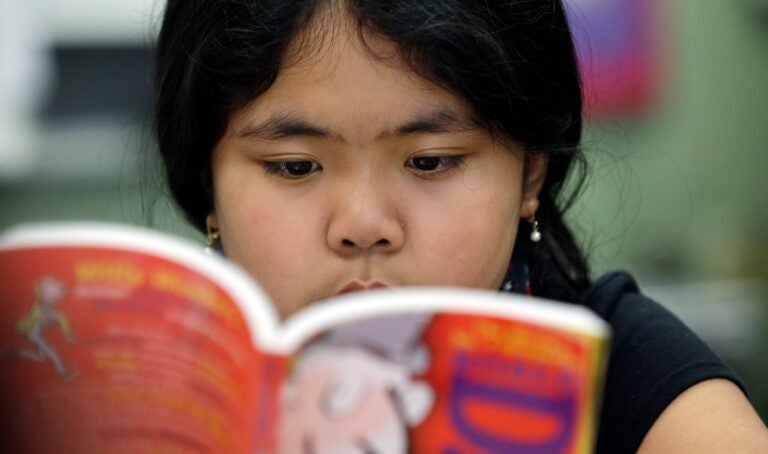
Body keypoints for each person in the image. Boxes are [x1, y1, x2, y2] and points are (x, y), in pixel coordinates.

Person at [152, 0, 768, 452]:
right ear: (207, 181)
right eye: (294, 166)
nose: (364, 226)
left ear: (529, 175)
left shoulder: (637, 382)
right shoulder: (143, 389)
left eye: (429, 161)